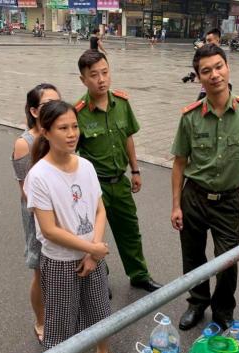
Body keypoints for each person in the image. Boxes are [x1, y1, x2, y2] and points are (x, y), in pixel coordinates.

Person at [171, 44, 239, 331]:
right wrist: (176, 204)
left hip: (228, 200)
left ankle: (223, 308)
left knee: (228, 259)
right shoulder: (190, 116)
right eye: (206, 71)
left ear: (228, 68)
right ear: (198, 77)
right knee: (192, 255)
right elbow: (179, 163)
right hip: (194, 196)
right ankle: (197, 301)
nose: (214, 74)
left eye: (219, 67)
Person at [24, 100, 123, 353]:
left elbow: (99, 210)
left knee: (100, 308)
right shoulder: (39, 175)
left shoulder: (87, 166)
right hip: (60, 260)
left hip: (92, 253)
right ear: (45, 131)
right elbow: (50, 230)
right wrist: (90, 249)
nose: (71, 134)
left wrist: (94, 251)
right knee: (62, 315)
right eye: (63, 128)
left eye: (75, 127)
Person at [75, 49, 162, 292]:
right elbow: (73, 155)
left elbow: (128, 138)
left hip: (120, 181)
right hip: (95, 186)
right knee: (94, 236)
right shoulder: (78, 112)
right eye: (94, 75)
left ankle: (139, 274)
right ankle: (100, 279)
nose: (101, 79)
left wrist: (135, 170)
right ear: (83, 79)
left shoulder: (122, 103)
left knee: (129, 230)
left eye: (105, 72)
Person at [11, 83, 61, 344]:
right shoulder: (24, 142)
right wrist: (50, 213)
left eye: (58, 102)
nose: (54, 108)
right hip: (37, 215)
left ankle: (61, 315)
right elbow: (26, 191)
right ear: (33, 110)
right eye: (46, 105)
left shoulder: (59, 133)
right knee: (40, 270)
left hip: (63, 211)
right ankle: (41, 320)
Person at [197, 28, 230, 100]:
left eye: (209, 40)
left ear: (217, 40)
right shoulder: (204, 54)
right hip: (205, 91)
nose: (207, 43)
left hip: (215, 93)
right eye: (206, 41)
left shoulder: (221, 56)